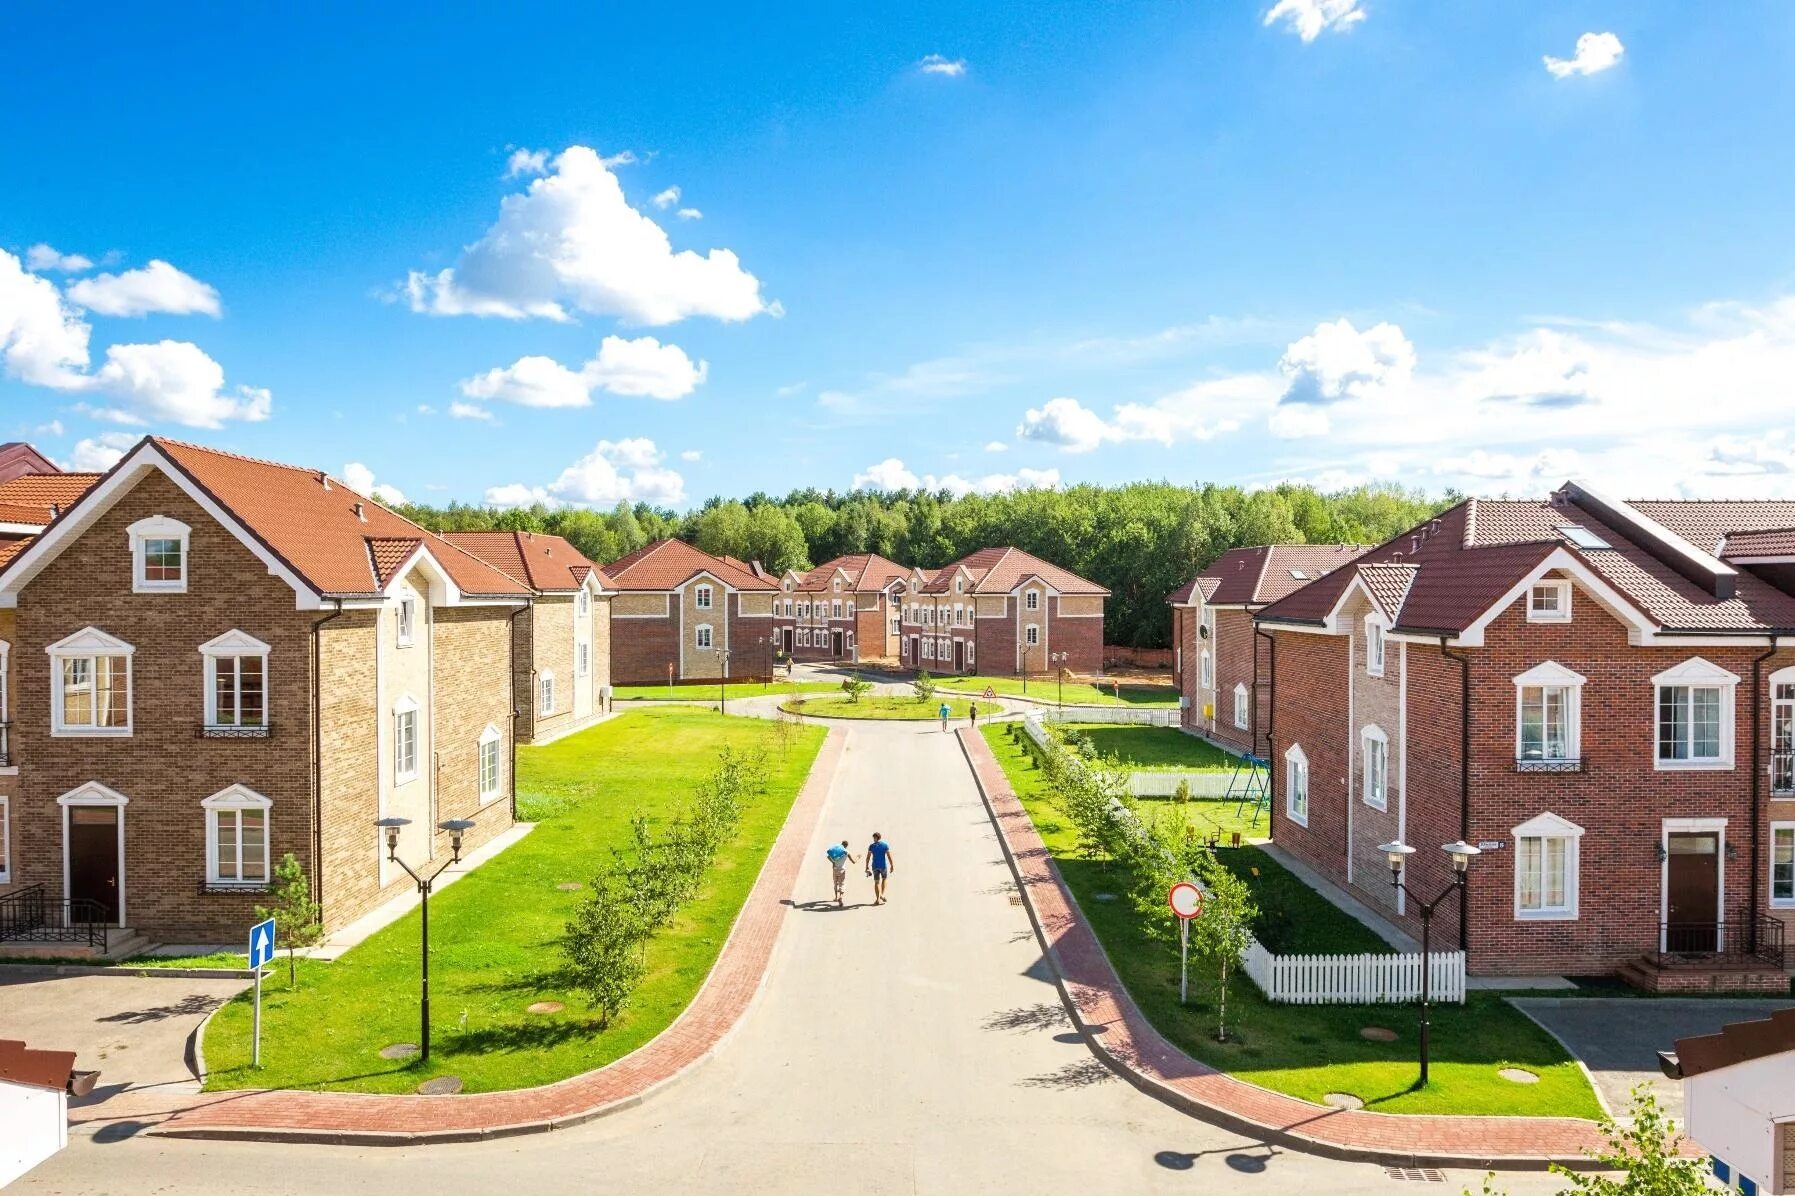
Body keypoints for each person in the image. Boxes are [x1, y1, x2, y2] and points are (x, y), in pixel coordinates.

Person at [865, 832, 894, 905]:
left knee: (877, 882)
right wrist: (892, 865)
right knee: (884, 879)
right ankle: (881, 895)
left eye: (874, 837)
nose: (873, 839)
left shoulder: (871, 846)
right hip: (883, 866)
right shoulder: (884, 845)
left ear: (875, 838)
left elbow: (868, 857)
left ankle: (878, 899)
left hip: (875, 866)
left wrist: (867, 866)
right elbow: (889, 856)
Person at [825, 840, 856, 906]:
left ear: (841, 844)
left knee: (835, 882)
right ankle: (840, 897)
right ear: (846, 846)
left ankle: (836, 897)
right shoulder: (846, 852)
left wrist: (833, 862)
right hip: (842, 869)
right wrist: (858, 857)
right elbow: (853, 861)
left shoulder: (836, 850)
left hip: (835, 869)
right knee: (842, 883)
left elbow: (827, 856)